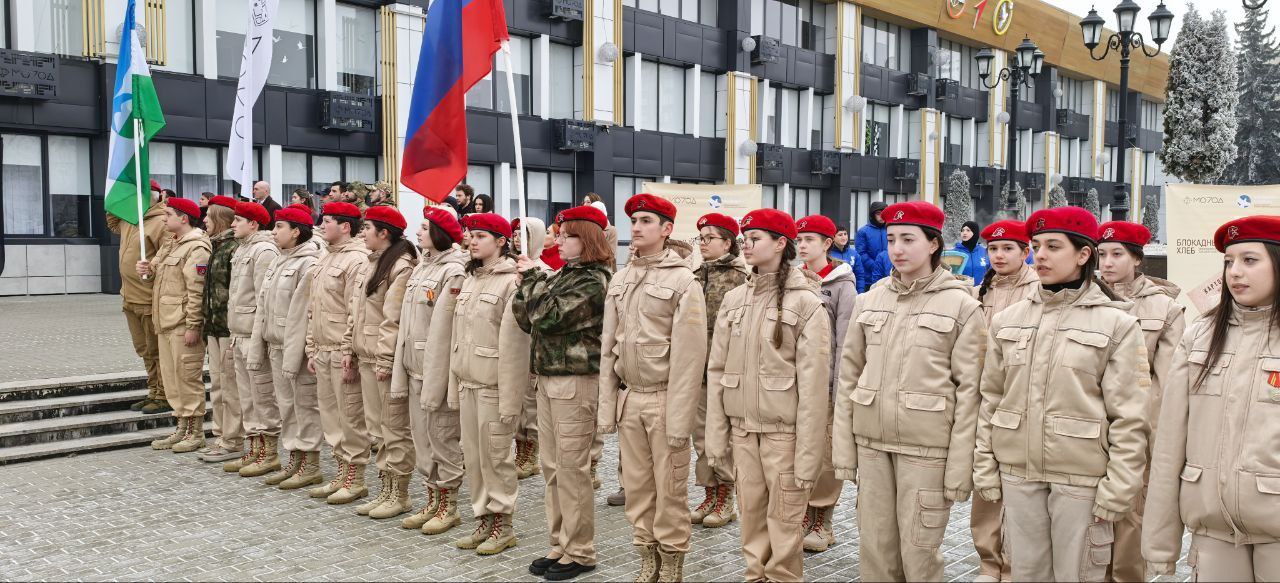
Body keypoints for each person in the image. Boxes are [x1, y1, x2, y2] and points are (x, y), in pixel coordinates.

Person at [973, 206, 1149, 582]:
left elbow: (1130, 416)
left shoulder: (1118, 324)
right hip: (1019, 474)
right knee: (1027, 574)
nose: (1041, 255)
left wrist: (1119, 487)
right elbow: (991, 399)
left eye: (1054, 246)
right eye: (1037, 245)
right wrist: (986, 466)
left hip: (1082, 480)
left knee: (1079, 574)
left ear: (1084, 254)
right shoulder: (1009, 321)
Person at [833, 201, 984, 582]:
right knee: (875, 549)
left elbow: (970, 394)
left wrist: (959, 468)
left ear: (934, 244)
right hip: (872, 445)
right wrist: (844, 449)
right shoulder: (870, 300)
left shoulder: (962, 306)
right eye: (891, 239)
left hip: (927, 450)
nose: (897, 249)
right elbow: (848, 377)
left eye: (908, 239)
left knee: (920, 554)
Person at [1143, 215, 1280, 581]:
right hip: (1214, 534)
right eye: (1228, 262)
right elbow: (1170, 443)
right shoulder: (1201, 335)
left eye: (1250, 260)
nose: (1235, 272)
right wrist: (1160, 545)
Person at [704, 209, 830, 582]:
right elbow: (716, 371)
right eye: (745, 237)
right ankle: (754, 575)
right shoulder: (735, 299)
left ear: (781, 243)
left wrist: (809, 456)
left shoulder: (806, 303)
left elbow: (813, 387)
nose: (746, 243)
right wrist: (716, 436)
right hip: (744, 432)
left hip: (784, 436)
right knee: (752, 515)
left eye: (755, 237)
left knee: (785, 521)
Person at [598, 193, 707, 582]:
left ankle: (673, 561)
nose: (638, 227)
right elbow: (608, 348)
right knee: (638, 488)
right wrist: (607, 408)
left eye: (647, 221)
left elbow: (690, 359)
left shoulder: (683, 281)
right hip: (631, 399)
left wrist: (680, 420)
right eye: (635, 220)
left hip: (664, 399)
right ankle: (647, 555)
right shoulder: (621, 279)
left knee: (671, 490)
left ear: (666, 229)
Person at [513, 205, 614, 581]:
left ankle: (581, 551)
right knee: (552, 468)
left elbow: (550, 318)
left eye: (567, 234)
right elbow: (525, 318)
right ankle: (561, 543)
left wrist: (534, 278)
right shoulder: (562, 275)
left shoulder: (595, 280)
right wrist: (528, 281)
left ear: (586, 239)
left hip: (576, 381)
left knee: (572, 470)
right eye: (559, 232)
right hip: (548, 377)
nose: (559, 239)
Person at [1093, 221, 1186, 581]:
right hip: (1091, 430)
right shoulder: (1090, 298)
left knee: (1132, 518)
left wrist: (1151, 439)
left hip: (1136, 432)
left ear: (1137, 259)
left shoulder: (1165, 309)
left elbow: (1167, 383)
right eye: (1102, 254)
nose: (1108, 263)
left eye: (1118, 254)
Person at [448, 213, 531, 555]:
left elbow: (515, 346)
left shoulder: (511, 282)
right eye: (470, 235)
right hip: (468, 382)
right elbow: (458, 336)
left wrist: (512, 399)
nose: (472, 240)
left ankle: (503, 524)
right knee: (475, 457)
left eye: (481, 235)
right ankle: (483, 519)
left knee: (497, 457)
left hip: (495, 386)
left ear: (501, 241)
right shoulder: (470, 279)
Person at [969, 219, 1038, 582]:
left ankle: (1012, 565)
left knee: (1018, 490)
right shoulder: (983, 289)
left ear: (1025, 252)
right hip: (985, 397)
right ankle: (988, 562)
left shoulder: (1037, 289)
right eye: (993, 249)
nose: (998, 255)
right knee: (985, 485)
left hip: (1021, 399)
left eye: (1008, 248)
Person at [340, 206, 419, 518]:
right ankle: (385, 488)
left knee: (394, 427)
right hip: (365, 355)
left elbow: (393, 319)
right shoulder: (369, 264)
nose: (362, 233)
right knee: (377, 428)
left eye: (367, 228)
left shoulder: (400, 266)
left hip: (383, 359)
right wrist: (349, 348)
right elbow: (355, 312)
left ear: (384, 233)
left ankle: (399, 493)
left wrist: (385, 360)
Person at [394, 207, 468, 535]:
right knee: (422, 439)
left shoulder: (453, 272)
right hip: (413, 366)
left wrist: (438, 375)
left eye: (424, 227)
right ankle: (431, 500)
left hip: (434, 369)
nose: (418, 232)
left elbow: (444, 331)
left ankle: (448, 504)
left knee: (442, 437)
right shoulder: (423, 266)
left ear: (439, 232)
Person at [246, 204, 326, 489]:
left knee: (305, 405)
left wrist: (296, 355)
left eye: (280, 227)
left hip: (296, 349)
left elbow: (301, 316)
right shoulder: (279, 261)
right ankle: (294, 458)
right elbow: (263, 308)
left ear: (296, 232)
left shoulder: (308, 263)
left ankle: (311, 463)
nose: (273, 231)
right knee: (286, 406)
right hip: (275, 345)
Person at [795, 214, 857, 553]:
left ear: (827, 244)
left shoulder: (840, 284)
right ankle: (804, 512)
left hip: (828, 385)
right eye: (799, 241)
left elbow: (844, 340)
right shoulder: (792, 279)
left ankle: (823, 518)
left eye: (809, 241)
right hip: (797, 384)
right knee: (802, 450)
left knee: (826, 455)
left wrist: (838, 387)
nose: (802, 246)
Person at [305, 202, 371, 503]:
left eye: (328, 220)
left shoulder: (356, 260)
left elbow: (354, 312)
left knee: (350, 416)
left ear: (345, 226)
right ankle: (341, 471)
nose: (321, 224)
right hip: (322, 347)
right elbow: (313, 308)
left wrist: (348, 351)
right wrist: (310, 346)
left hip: (341, 349)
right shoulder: (324, 257)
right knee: (331, 417)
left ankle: (355, 477)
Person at [689, 212, 749, 530]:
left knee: (721, 436)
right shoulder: (696, 273)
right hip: (698, 369)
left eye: (709, 238)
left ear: (727, 242)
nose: (703, 243)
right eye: (700, 238)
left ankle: (726, 496)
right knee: (700, 436)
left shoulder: (741, 276)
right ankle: (709, 493)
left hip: (726, 370)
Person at [138, 197, 211, 453]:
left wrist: (193, 325)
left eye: (168, 214)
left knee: (187, 377)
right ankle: (181, 427)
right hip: (165, 321)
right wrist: (146, 270)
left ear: (184, 218)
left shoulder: (197, 247)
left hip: (182, 323)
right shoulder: (171, 243)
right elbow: (154, 276)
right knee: (171, 379)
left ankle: (195, 432)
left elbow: (197, 291)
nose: (164, 218)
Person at [223, 202, 282, 476]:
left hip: (253, 337)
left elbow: (264, 300)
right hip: (239, 334)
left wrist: (258, 341)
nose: (233, 224)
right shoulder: (243, 248)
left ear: (254, 224)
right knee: (247, 398)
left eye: (238, 220)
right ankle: (254, 449)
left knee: (262, 397)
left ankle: (268, 453)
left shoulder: (264, 250)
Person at [107, 180, 169, 415]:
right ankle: (152, 390)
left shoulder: (161, 222)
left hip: (148, 298)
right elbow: (112, 221)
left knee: (156, 350)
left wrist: (151, 267)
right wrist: (116, 194)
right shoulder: (130, 218)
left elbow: (167, 255)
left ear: (149, 197)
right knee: (143, 349)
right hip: (129, 296)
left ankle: (163, 394)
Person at [197, 196, 244, 463]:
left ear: (221, 220)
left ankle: (234, 439)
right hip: (214, 327)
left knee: (230, 387)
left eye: (209, 216)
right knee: (217, 385)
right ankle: (221, 435)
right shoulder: (217, 246)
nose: (204, 220)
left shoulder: (232, 248)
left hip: (228, 328)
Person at [510, 217, 551, 481]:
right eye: (514, 233)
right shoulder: (511, 267)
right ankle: (519, 447)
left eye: (523, 234)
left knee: (531, 403)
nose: (517, 238)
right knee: (517, 401)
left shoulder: (543, 271)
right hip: (514, 343)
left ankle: (530, 452)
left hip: (533, 345)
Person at [854, 200, 889, 293]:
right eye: (878, 214)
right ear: (872, 215)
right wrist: (876, 266)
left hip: (889, 274)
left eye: (884, 213)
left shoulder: (890, 229)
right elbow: (861, 253)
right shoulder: (863, 231)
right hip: (869, 277)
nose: (881, 216)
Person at [954, 220, 990, 285]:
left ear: (975, 232)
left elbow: (993, 273)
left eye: (968, 230)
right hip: (961, 292)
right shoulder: (954, 253)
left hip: (982, 292)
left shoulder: (986, 252)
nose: (964, 233)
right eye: (962, 230)